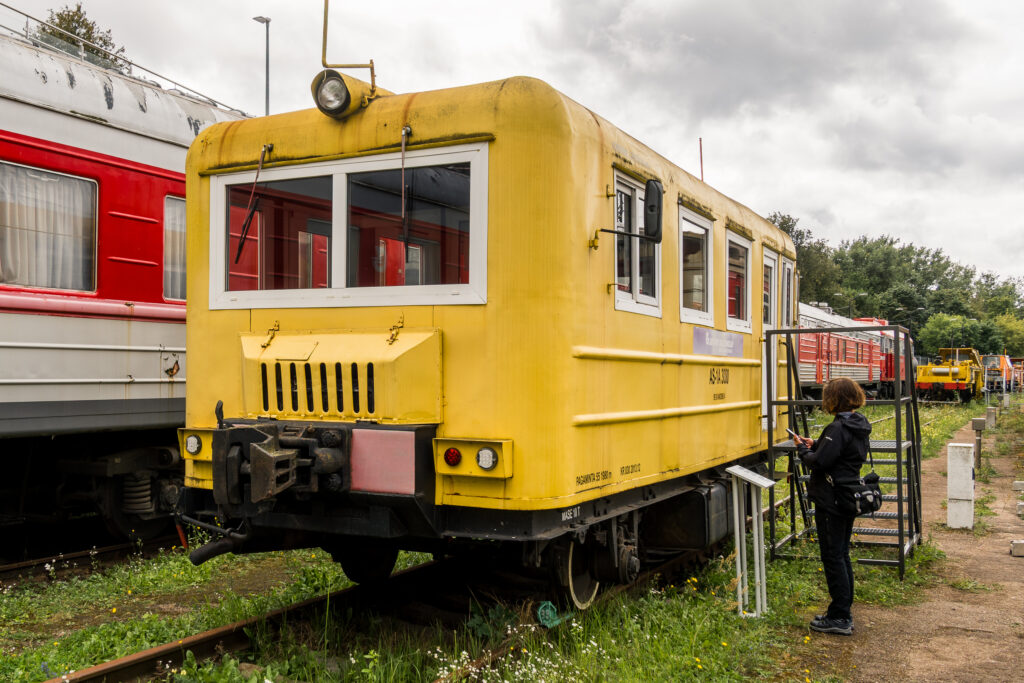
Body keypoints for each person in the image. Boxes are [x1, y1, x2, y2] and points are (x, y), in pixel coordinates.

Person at [792, 377, 872, 636]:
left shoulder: (837, 428)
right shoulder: (858, 424)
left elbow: (819, 462)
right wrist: (816, 444)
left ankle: (840, 617)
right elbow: (837, 451)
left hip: (832, 499)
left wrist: (802, 450)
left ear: (835, 399)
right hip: (847, 495)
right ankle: (842, 610)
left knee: (832, 556)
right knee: (841, 554)